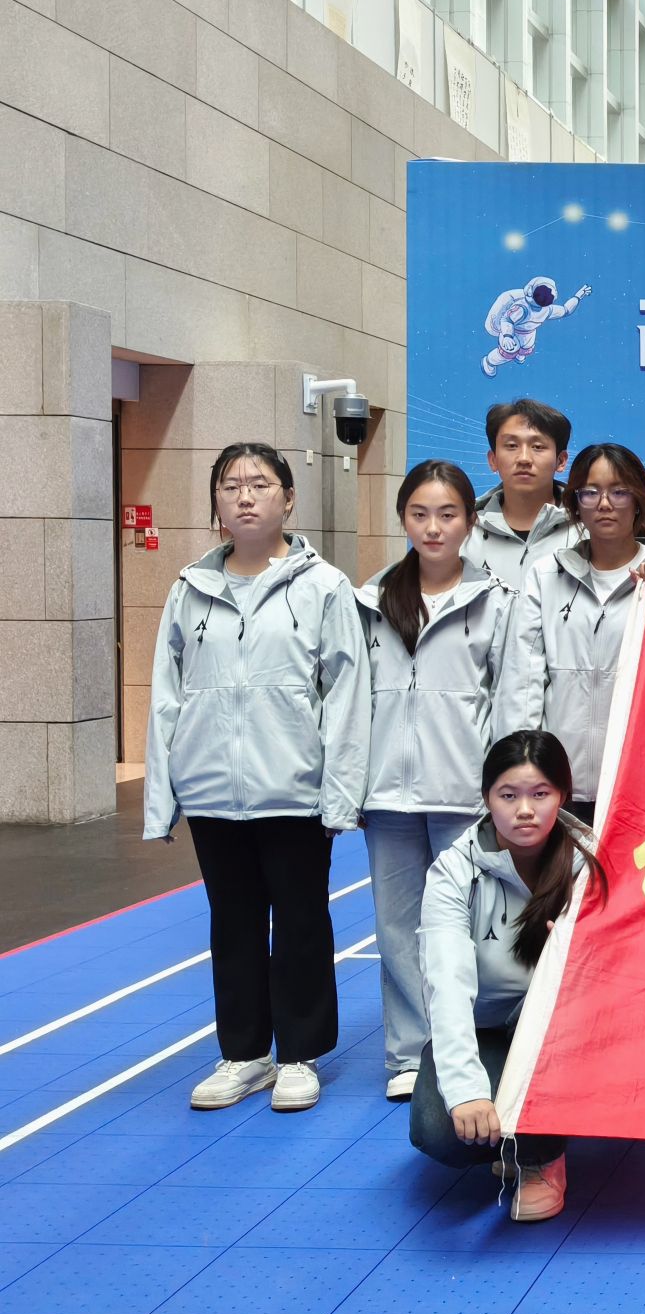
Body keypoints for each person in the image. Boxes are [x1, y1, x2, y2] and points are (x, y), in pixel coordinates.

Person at [144, 442, 370, 1114]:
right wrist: (163, 800)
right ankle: (244, 1054)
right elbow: (166, 696)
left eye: (260, 484)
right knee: (233, 923)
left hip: (293, 790)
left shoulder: (323, 586)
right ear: (216, 501)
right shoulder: (190, 588)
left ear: (288, 499)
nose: (244, 496)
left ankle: (299, 1054)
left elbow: (347, 695)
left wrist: (341, 795)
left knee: (301, 921)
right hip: (213, 790)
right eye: (230, 485)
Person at [355, 460, 516, 1101]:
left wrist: (499, 788)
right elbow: (350, 698)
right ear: (403, 518)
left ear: (470, 522)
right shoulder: (370, 600)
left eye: (448, 514)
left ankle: (464, 1044)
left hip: (463, 794)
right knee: (396, 929)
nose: (433, 527)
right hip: (387, 796)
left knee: (465, 929)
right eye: (419, 514)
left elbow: (506, 700)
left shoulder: (495, 599)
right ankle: (408, 1054)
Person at [413, 729, 603, 1223]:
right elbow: (446, 982)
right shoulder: (453, 872)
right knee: (440, 1131)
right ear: (486, 798)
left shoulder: (589, 862)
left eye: (540, 794)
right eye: (508, 795)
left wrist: (572, 954)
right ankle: (511, 1132)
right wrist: (466, 1090)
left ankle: (541, 1156)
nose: (525, 810)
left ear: (563, 796)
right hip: (485, 1028)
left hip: (559, 1029)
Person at [497, 443, 645, 826]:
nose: (604, 504)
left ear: (638, 500)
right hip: (558, 782)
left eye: (619, 491)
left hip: (640, 784)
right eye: (591, 492)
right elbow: (524, 682)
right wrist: (524, 769)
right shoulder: (546, 574)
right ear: (575, 502)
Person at [463, 399, 578, 588]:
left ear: (561, 461)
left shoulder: (588, 528)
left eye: (538, 447)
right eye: (511, 445)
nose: (524, 458)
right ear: (493, 459)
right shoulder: (463, 530)